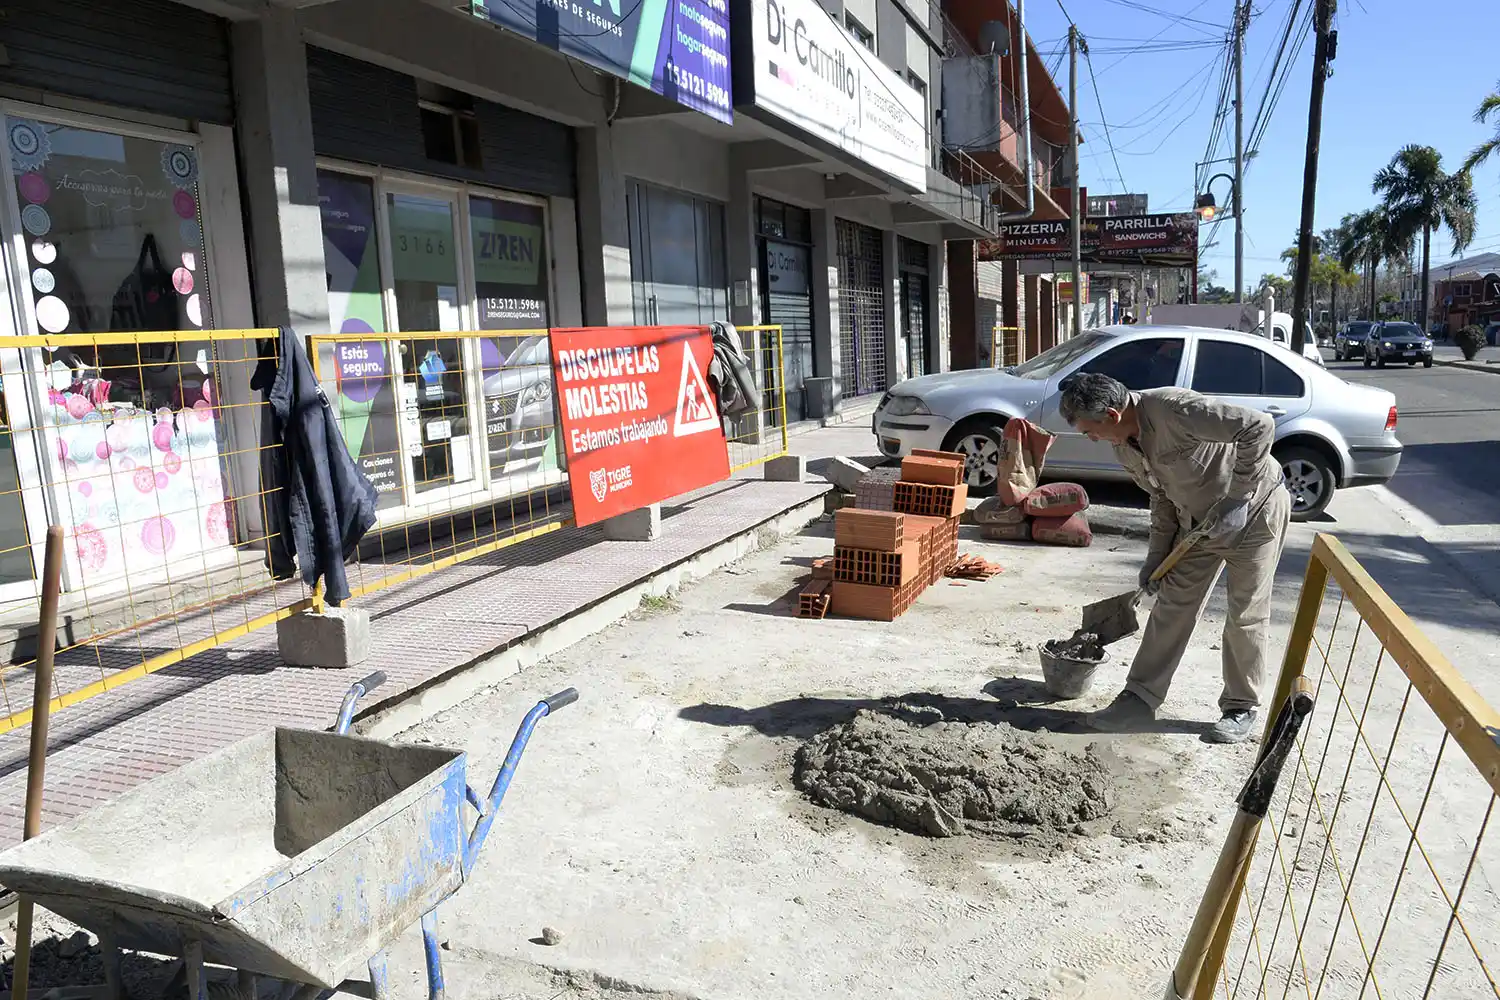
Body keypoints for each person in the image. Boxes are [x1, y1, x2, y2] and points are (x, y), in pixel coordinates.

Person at [1057, 372, 1291, 744]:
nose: (1093, 439)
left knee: (1245, 611)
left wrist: (1237, 498)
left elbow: (1258, 427)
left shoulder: (1175, 410)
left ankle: (1240, 707)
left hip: (1255, 514)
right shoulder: (1124, 445)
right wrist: (1155, 558)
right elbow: (1161, 497)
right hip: (1198, 526)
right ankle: (1139, 698)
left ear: (1113, 415)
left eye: (1091, 431)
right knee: (1171, 606)